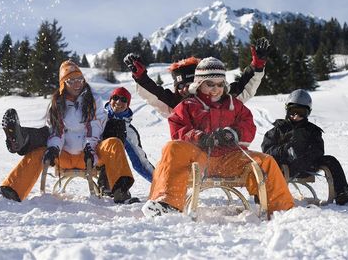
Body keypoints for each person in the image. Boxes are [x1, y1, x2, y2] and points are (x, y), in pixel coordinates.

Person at [141, 57, 294, 218]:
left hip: (229, 159)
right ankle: (168, 204)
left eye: (220, 84)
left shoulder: (234, 105)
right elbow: (178, 129)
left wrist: (233, 134)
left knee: (266, 161)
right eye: (210, 84)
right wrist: (200, 137)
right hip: (199, 160)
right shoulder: (187, 105)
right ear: (199, 83)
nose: (216, 89)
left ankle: (282, 210)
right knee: (173, 148)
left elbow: (248, 126)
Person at [0, 60, 136, 204]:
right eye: (72, 80)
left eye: (80, 79)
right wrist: (54, 148)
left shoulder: (93, 99)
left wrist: (89, 146)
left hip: (90, 155)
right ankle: (11, 191)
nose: (77, 84)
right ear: (64, 83)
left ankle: (121, 192)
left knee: (113, 144)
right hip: (65, 155)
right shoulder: (57, 103)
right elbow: (56, 131)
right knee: (39, 151)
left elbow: (95, 125)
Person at [123, 37, 270, 118]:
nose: (185, 89)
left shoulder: (221, 97)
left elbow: (244, 86)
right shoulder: (174, 104)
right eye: (180, 86)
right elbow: (154, 94)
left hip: (223, 154)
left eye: (189, 84)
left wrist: (256, 66)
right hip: (187, 156)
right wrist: (141, 77)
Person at [261, 89, 348, 205]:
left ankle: (342, 193)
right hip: (283, 167)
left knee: (331, 160)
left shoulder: (312, 130)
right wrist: (284, 150)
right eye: (292, 111)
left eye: (301, 112)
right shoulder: (278, 129)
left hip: (307, 165)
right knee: (267, 163)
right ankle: (267, 196)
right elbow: (267, 151)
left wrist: (305, 155)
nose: (296, 116)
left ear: (308, 113)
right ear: (287, 110)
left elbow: (319, 150)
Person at [103, 87, 155, 182]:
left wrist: (158, 181)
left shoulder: (128, 131)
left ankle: (117, 187)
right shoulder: (99, 117)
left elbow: (140, 162)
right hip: (92, 157)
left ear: (128, 105)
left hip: (112, 165)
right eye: (115, 98)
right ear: (110, 100)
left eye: (123, 100)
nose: (118, 102)